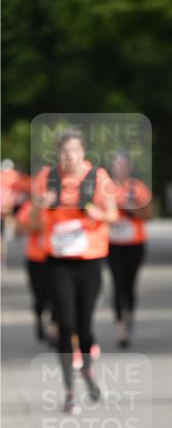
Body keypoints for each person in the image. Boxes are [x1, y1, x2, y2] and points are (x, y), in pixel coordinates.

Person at [32, 129, 118, 412]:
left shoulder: (98, 178)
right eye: (64, 151)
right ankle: (69, 390)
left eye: (74, 151)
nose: (69, 157)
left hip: (89, 259)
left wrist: (98, 214)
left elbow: (113, 215)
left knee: (84, 326)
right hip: (58, 261)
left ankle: (88, 370)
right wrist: (38, 207)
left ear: (83, 152)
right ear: (57, 153)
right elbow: (27, 221)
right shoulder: (47, 178)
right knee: (65, 325)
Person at [106, 151, 153, 348]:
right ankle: (120, 327)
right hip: (112, 242)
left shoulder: (137, 188)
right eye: (117, 164)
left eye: (124, 165)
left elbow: (148, 213)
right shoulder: (105, 187)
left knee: (130, 284)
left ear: (129, 167)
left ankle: (129, 316)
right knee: (117, 283)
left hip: (134, 242)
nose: (120, 168)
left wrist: (131, 208)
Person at [14, 195, 53, 343]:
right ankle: (40, 318)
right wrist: (38, 214)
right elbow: (19, 230)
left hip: (58, 259)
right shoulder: (31, 205)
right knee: (40, 296)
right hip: (36, 258)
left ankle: (54, 327)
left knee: (56, 296)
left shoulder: (68, 204)